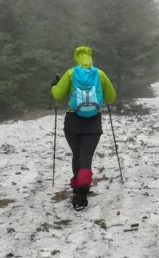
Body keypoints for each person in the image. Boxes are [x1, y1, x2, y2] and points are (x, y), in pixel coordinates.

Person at [50, 46, 117, 209]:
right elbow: (111, 97)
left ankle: (77, 188)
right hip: (93, 121)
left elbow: (58, 95)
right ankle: (82, 191)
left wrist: (54, 86)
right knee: (86, 156)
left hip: (73, 119)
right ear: (90, 57)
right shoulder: (99, 74)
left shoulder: (70, 73)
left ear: (76, 58)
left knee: (77, 153)